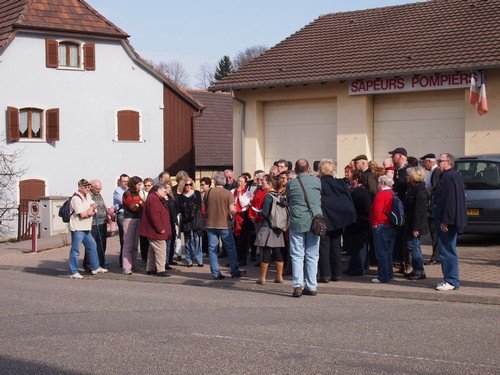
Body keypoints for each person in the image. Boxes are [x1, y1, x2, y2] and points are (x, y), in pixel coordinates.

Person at [286, 159, 322, 297]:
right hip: (315, 220)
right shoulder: (317, 182)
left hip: (298, 220)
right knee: (313, 254)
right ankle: (311, 286)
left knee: (297, 254)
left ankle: (297, 285)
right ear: (308, 169)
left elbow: (289, 200)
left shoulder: (291, 184)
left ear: (295, 170)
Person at [317, 160, 357, 283]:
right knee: (336, 247)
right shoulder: (340, 183)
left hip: (325, 219)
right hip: (338, 219)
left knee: (324, 247)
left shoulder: (319, 183)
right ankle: (337, 274)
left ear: (321, 170)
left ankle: (325, 275)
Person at [433, 153, 466, 291]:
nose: (438, 163)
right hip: (445, 218)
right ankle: (449, 279)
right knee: (446, 249)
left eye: (440, 161)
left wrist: (445, 221)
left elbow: (450, 201)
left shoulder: (450, 177)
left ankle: (451, 280)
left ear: (448, 163)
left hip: (447, 221)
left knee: (447, 250)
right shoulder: (448, 176)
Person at [204, 172, 246, 280]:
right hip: (224, 224)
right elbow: (232, 210)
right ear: (224, 181)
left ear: (215, 181)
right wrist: (234, 212)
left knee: (212, 249)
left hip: (210, 224)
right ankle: (234, 271)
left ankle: (215, 273)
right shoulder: (228, 193)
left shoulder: (208, 193)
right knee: (231, 248)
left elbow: (205, 208)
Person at [68, 179, 108, 279]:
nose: (87, 188)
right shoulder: (76, 198)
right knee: (75, 250)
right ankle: (73, 272)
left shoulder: (87, 196)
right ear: (79, 187)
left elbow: (95, 204)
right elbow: (82, 215)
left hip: (86, 228)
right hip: (78, 228)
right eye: (85, 186)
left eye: (88, 186)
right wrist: (92, 211)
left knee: (92, 245)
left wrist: (91, 209)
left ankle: (95, 267)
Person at [255, 174, 285, 285]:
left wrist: (258, 212)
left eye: (263, 181)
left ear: (269, 183)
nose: (261, 183)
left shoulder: (268, 196)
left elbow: (266, 213)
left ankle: (262, 278)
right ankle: (279, 277)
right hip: (278, 226)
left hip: (268, 226)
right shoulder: (280, 195)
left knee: (266, 251)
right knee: (277, 251)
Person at [139, 184, 172, 277]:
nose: (166, 193)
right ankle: (161, 270)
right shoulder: (154, 199)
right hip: (155, 231)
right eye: (164, 191)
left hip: (153, 230)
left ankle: (150, 268)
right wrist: (160, 228)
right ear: (158, 190)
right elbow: (155, 216)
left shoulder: (154, 197)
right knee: (161, 249)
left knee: (153, 250)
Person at [404, 167, 430, 280]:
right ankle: (417, 269)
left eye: (409, 175)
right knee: (415, 246)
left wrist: (416, 228)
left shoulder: (419, 190)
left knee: (412, 246)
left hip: (415, 224)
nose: (407, 177)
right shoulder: (415, 188)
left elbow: (419, 211)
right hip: (412, 222)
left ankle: (419, 270)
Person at [369, 175, 396, 284]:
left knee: (381, 253)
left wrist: (374, 223)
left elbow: (377, 211)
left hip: (381, 225)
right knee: (388, 252)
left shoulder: (381, 194)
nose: (378, 185)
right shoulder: (392, 193)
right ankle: (389, 274)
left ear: (382, 183)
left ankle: (383, 276)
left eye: (379, 183)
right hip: (390, 225)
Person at [344, 171, 371, 276]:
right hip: (361, 222)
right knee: (358, 246)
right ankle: (354, 266)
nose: (350, 180)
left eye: (351, 178)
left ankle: (359, 268)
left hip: (358, 223)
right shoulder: (363, 191)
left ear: (356, 179)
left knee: (358, 246)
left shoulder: (358, 193)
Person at [389, 147, 411, 274]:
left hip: (405, 209)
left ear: (401, 156)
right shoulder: (398, 170)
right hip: (398, 209)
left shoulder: (408, 170)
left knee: (406, 239)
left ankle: (409, 264)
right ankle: (401, 263)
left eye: (394, 155)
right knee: (399, 238)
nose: (392, 158)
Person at [83, 179, 110, 271]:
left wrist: (108, 215)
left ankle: (100, 263)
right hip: (92, 223)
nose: (99, 190)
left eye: (100, 188)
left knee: (102, 243)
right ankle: (88, 264)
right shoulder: (88, 195)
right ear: (91, 187)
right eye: (97, 189)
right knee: (92, 244)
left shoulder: (100, 194)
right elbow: (86, 207)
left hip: (103, 222)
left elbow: (104, 205)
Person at [178, 177, 204, 267]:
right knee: (188, 240)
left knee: (197, 239)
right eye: (186, 184)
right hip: (186, 220)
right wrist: (188, 210)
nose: (188, 186)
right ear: (183, 185)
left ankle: (199, 259)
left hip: (196, 218)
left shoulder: (196, 193)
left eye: (190, 184)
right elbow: (180, 208)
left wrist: (191, 210)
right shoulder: (181, 196)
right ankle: (189, 260)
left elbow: (198, 205)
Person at [420, 153, 441, 265]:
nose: (424, 165)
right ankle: (436, 255)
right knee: (433, 232)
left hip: (433, 207)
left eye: (424, 162)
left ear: (429, 161)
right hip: (431, 206)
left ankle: (436, 256)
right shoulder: (432, 172)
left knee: (435, 232)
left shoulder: (436, 172)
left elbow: (435, 189)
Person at [121, 176, 144, 275]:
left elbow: (143, 205)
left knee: (135, 245)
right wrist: (139, 204)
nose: (140, 186)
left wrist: (140, 204)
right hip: (129, 219)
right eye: (139, 184)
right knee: (128, 245)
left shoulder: (137, 193)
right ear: (134, 184)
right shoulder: (127, 193)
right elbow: (133, 207)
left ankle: (133, 266)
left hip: (137, 219)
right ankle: (126, 267)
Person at [232, 175, 252, 266]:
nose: (239, 183)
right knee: (234, 239)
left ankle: (242, 259)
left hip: (243, 216)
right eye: (238, 181)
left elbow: (244, 204)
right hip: (234, 215)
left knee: (243, 239)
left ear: (245, 183)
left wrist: (240, 194)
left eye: (241, 181)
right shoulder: (232, 191)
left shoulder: (247, 193)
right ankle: (235, 258)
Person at [113, 173, 129, 267]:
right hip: (122, 214)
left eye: (127, 181)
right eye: (123, 181)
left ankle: (128, 260)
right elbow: (125, 202)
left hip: (130, 214)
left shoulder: (130, 190)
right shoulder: (117, 191)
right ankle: (122, 261)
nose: (125, 183)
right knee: (124, 239)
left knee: (129, 239)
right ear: (120, 181)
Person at [139, 177, 154, 263]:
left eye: (149, 185)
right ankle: (144, 257)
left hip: (151, 218)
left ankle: (149, 256)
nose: (147, 187)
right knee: (143, 238)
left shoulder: (154, 192)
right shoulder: (141, 193)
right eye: (145, 185)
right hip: (143, 217)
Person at [199, 177, 212, 257]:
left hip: (210, 215)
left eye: (203, 185)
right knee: (204, 233)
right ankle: (204, 250)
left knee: (211, 234)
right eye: (201, 184)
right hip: (202, 216)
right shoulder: (200, 194)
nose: (202, 186)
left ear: (208, 185)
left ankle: (212, 250)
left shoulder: (211, 193)